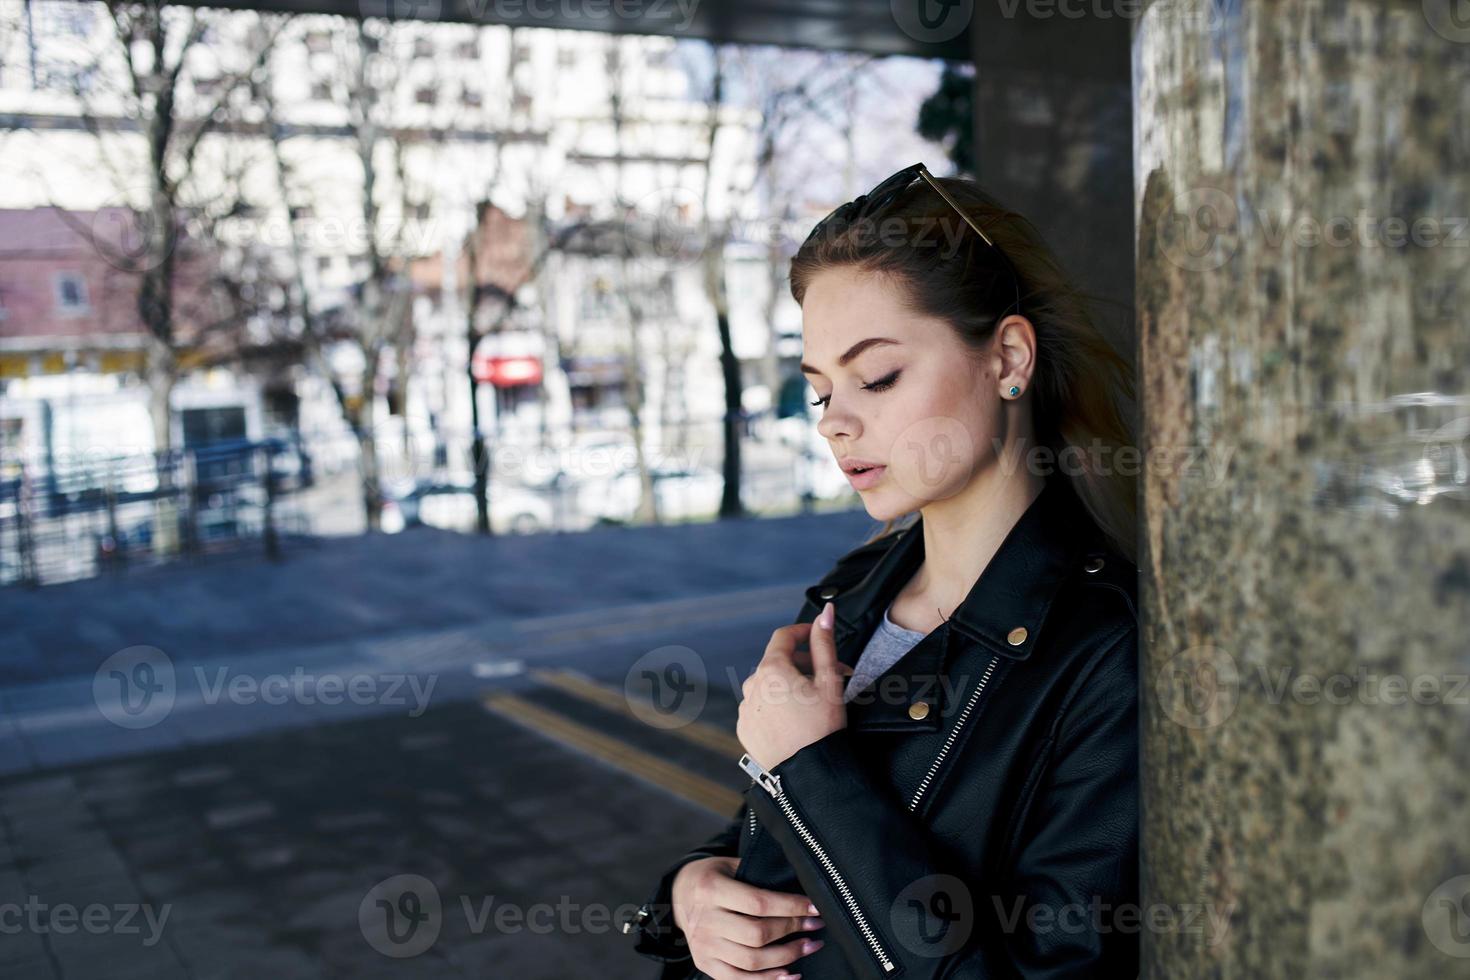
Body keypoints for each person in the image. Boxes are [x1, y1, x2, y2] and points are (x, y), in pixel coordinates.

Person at [626, 163, 1140, 979]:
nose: (838, 424)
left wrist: (810, 770)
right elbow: (762, 843)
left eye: (877, 377)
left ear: (1007, 356)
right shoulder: (847, 596)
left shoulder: (1101, 653)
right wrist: (690, 895)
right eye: (823, 392)